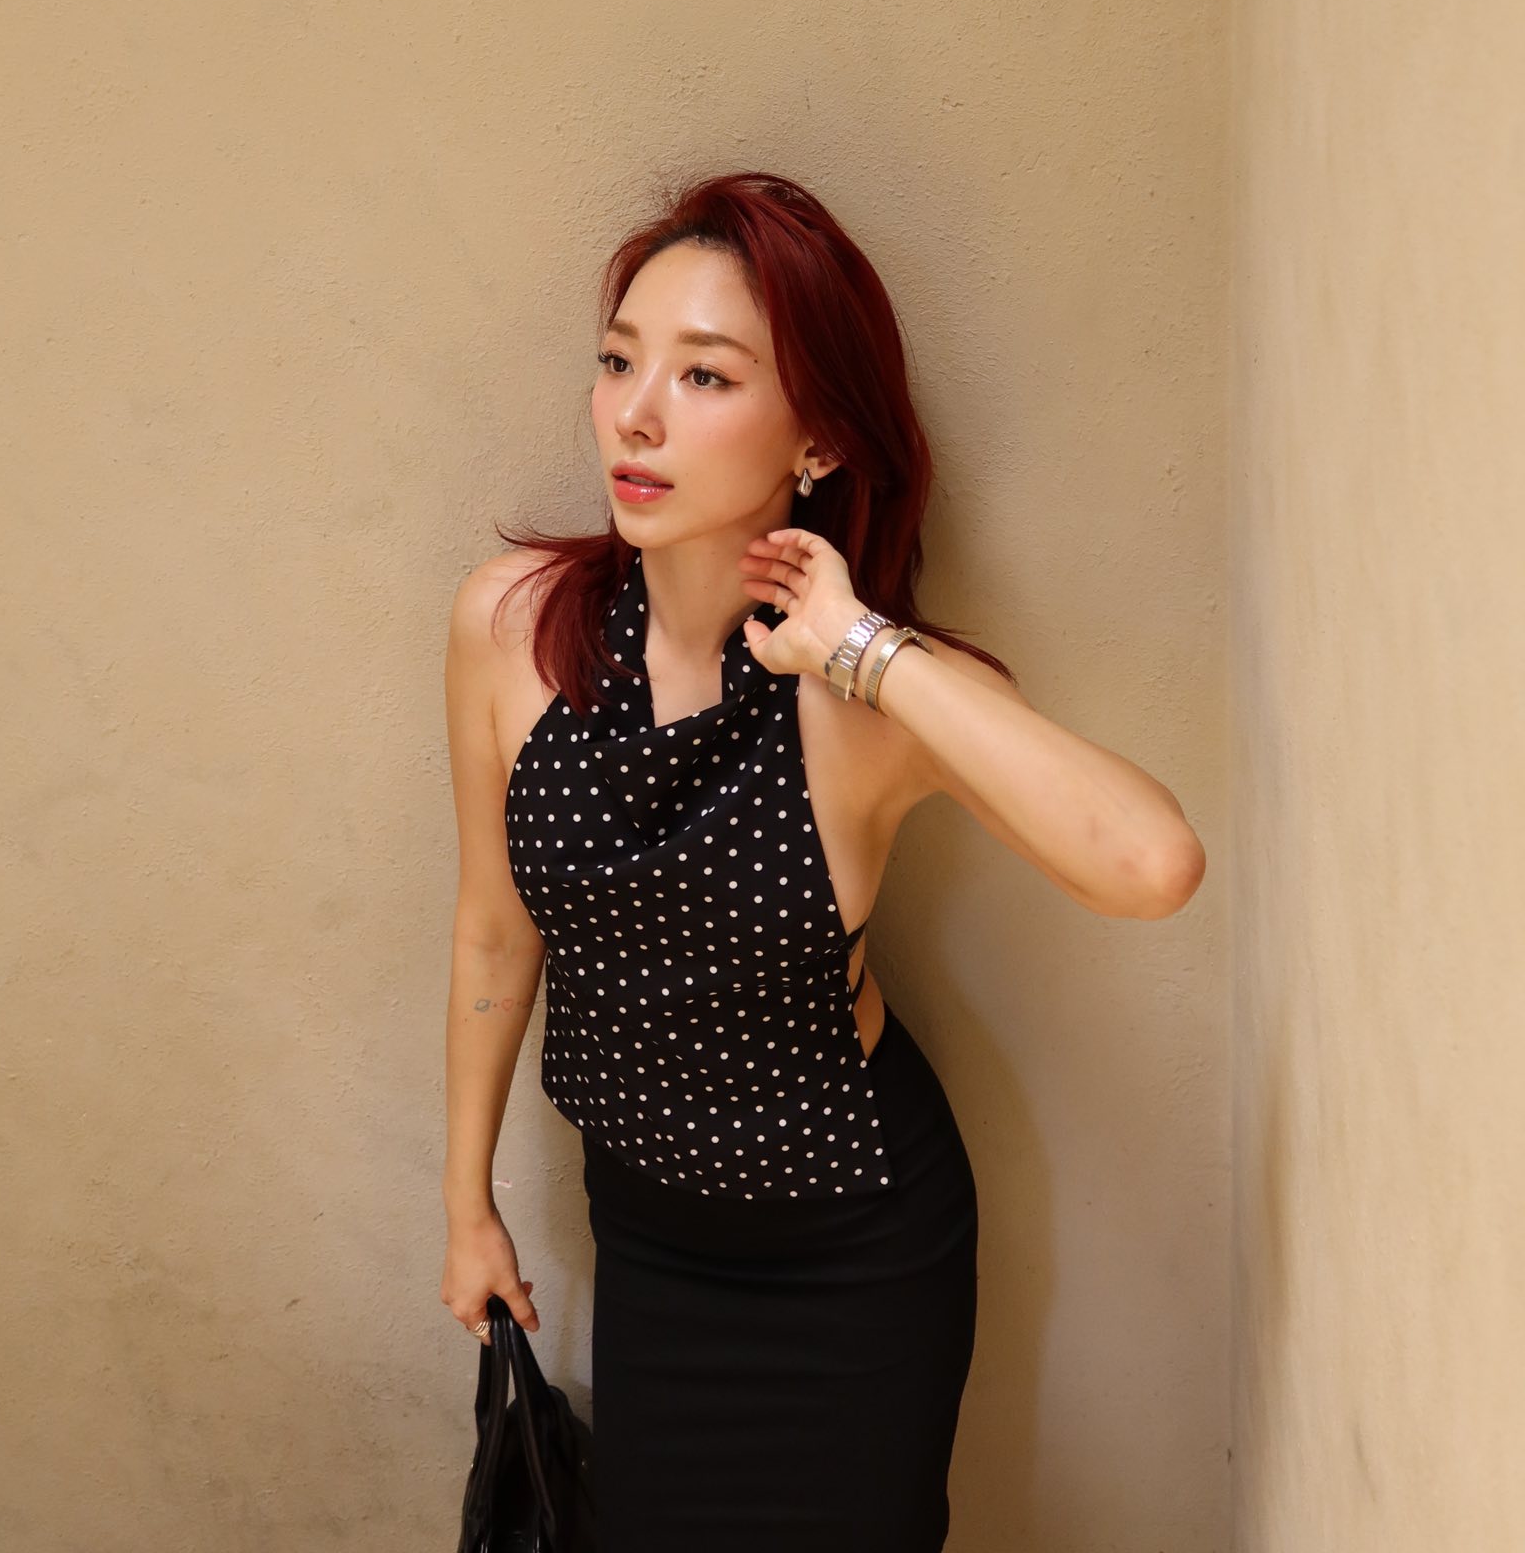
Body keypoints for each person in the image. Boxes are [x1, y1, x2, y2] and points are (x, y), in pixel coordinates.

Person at [439, 171, 1206, 1551]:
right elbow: (496, 932)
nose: (636, 414)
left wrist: (862, 646)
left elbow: (1151, 864)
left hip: (854, 1263)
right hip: (650, 1247)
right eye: (618, 361)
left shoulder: (857, 706)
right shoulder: (512, 629)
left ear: (817, 439)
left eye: (706, 375)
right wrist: (467, 1204)